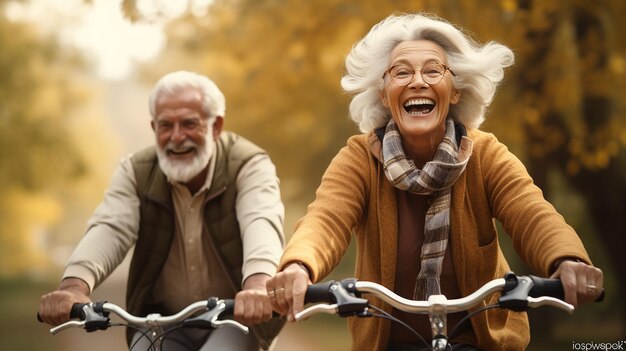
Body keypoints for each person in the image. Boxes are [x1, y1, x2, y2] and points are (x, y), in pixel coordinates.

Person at [265, 12, 604, 351]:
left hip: (478, 343)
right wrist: (298, 267)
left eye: (432, 70)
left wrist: (567, 260)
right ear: (384, 96)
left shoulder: (485, 154)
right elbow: (326, 219)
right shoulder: (360, 159)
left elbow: (532, 212)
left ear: (454, 91)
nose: (417, 81)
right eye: (401, 72)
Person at [39, 71, 285, 350]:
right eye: (166, 126)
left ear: (215, 126)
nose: (177, 137)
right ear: (154, 127)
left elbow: (261, 220)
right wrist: (74, 286)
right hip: (160, 319)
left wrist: (257, 284)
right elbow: (110, 227)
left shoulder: (247, 165)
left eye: (189, 123)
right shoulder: (136, 172)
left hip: (234, 319)